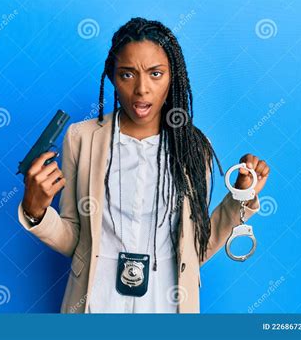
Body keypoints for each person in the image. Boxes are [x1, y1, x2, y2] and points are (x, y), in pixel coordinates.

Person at [18, 17, 270, 313]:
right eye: (127, 75)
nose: (141, 89)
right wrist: (36, 212)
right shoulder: (81, 138)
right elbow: (75, 239)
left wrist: (240, 197)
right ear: (112, 77)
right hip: (95, 303)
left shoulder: (193, 147)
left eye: (155, 74)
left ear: (172, 77)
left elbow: (195, 248)